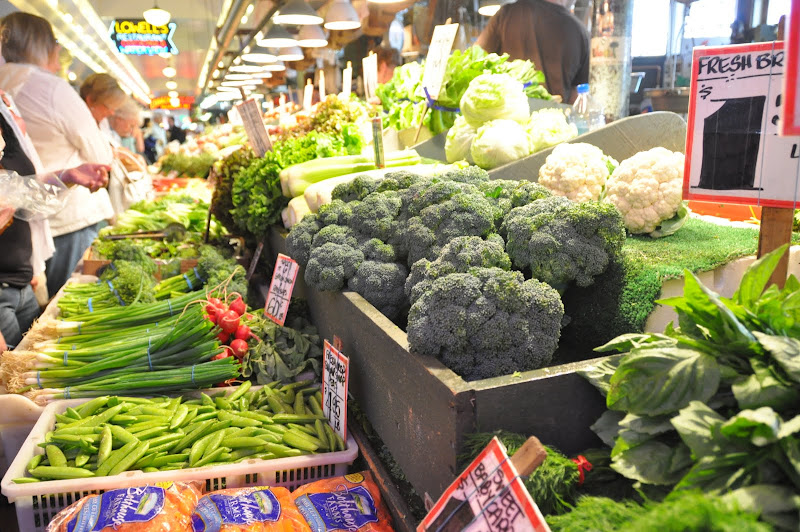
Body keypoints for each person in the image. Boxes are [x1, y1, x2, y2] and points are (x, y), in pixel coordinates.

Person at [0, 12, 115, 297]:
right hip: (67, 214)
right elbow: (100, 155)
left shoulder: (5, 84)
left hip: (23, 222)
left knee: (48, 305)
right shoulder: (50, 87)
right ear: (45, 47)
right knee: (71, 302)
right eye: (54, 43)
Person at [0, 115, 109, 351]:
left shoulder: (5, 115)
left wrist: (66, 177)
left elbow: (23, 193)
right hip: (3, 293)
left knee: (29, 358)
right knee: (12, 367)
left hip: (21, 282)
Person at [476, 0, 590, 103]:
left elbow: (475, 60)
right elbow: (577, 97)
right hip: (553, 116)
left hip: (505, 113)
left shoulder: (507, 14)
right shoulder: (581, 32)